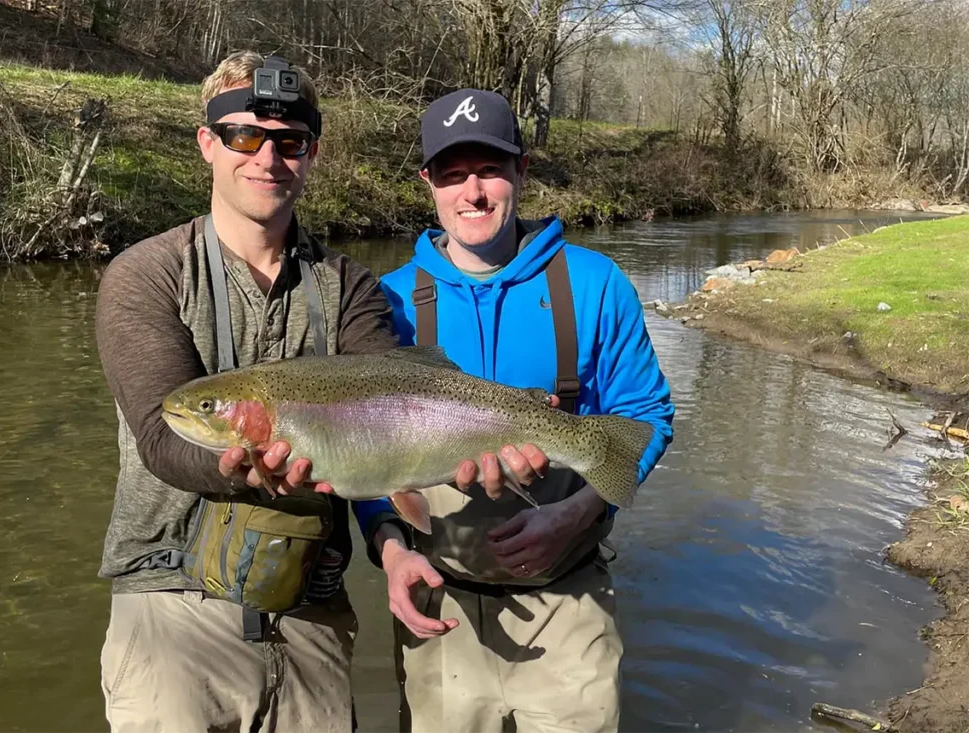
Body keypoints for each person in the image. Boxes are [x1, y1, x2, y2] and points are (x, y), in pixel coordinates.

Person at [94, 52, 543, 733]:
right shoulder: (147, 277)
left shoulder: (351, 288)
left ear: (312, 153)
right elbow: (162, 436)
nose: (266, 157)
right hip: (170, 614)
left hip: (312, 614)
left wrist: (393, 544)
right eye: (244, 135)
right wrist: (245, 466)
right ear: (207, 143)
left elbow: (388, 433)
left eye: (290, 141)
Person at [352, 89, 675, 733]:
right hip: (437, 601)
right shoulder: (383, 303)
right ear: (429, 184)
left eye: (489, 171)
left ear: (522, 172)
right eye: (452, 175)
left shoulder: (594, 283)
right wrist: (389, 549)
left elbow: (646, 417)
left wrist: (583, 511)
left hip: (569, 601)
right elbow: (365, 457)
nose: (472, 192)